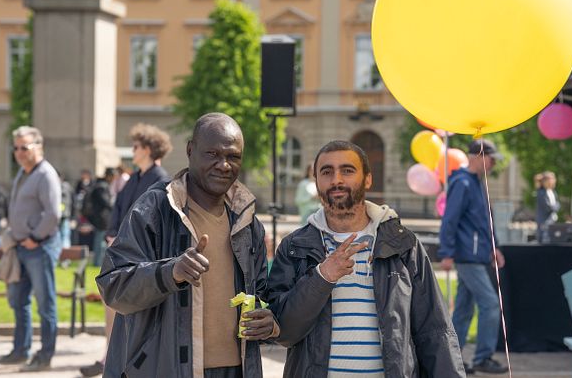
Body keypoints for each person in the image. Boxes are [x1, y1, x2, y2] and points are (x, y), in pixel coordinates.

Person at [96, 113, 277, 378]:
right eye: (212, 154)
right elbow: (113, 285)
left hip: (237, 370)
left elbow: (261, 295)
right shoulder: (155, 209)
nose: (224, 165)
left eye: (233, 156)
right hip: (165, 369)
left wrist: (267, 319)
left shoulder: (247, 221)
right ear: (191, 150)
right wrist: (171, 272)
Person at [267, 140, 465, 377]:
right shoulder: (295, 247)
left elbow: (434, 331)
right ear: (316, 180)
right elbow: (284, 331)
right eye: (326, 172)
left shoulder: (402, 244)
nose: (336, 179)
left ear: (368, 179)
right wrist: (322, 277)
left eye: (347, 170)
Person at [79, 123, 172, 377]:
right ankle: (109, 355)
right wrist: (112, 235)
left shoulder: (162, 180)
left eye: (136, 146)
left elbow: (153, 221)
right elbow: (117, 209)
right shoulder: (134, 179)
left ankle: (122, 359)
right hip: (120, 255)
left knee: (132, 313)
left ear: (149, 149)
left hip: (140, 260)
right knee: (112, 306)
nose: (132, 151)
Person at [0, 126, 62, 372]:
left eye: (25, 147)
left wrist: (35, 237)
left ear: (39, 147)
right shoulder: (23, 173)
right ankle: (20, 351)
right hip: (21, 248)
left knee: (46, 305)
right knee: (19, 301)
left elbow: (53, 213)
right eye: (16, 148)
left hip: (39, 248)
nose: (19, 152)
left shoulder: (45, 174)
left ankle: (45, 356)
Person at [438, 139, 508, 375]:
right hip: (467, 256)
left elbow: (484, 221)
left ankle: (452, 359)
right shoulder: (462, 184)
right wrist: (446, 253)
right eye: (491, 158)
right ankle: (482, 358)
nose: (493, 164)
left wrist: (494, 247)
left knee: (463, 311)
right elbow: (450, 220)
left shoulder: (478, 184)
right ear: (477, 156)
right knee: (490, 305)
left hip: (476, 255)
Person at [82, 168, 115, 267]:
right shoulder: (101, 187)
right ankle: (98, 262)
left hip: (99, 218)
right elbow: (105, 202)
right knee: (100, 241)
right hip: (101, 219)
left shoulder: (98, 185)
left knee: (100, 241)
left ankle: (98, 262)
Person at [535, 171, 560, 242]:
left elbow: (557, 203)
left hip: (552, 221)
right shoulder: (541, 192)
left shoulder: (552, 192)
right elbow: (548, 207)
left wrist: (556, 206)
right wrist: (555, 207)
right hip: (544, 223)